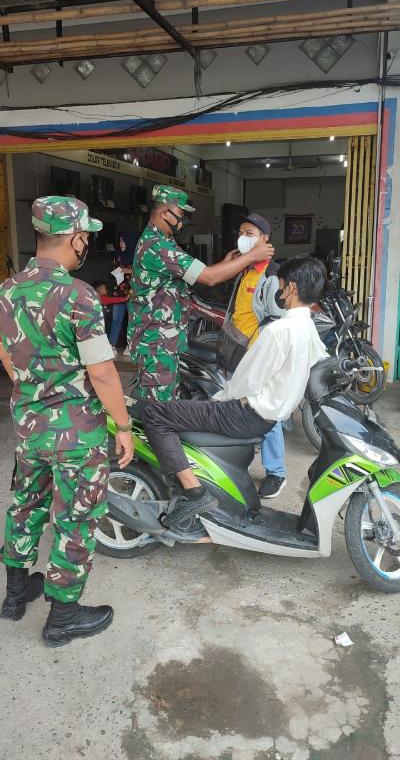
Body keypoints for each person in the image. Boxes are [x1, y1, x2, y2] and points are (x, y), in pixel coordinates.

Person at [0, 196, 134, 647]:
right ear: (74, 238)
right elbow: (102, 372)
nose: (86, 245)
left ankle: (15, 594)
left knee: (26, 503)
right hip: (77, 433)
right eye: (85, 237)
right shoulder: (78, 294)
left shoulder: (7, 291)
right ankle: (63, 616)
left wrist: (35, 390)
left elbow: (7, 356)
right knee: (76, 517)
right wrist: (123, 426)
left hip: (29, 426)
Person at [142, 256, 328, 519]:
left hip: (244, 414)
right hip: (267, 419)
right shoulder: (309, 328)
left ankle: (194, 492)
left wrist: (219, 400)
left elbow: (247, 381)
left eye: (281, 285)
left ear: (292, 287)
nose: (279, 291)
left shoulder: (279, 330)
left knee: (155, 414)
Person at [128, 184, 274, 401]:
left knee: (165, 400)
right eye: (180, 214)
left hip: (163, 340)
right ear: (164, 212)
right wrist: (251, 256)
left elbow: (198, 274)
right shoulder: (157, 246)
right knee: (156, 406)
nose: (183, 220)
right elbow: (209, 277)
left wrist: (224, 263)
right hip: (156, 343)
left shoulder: (164, 242)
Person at [230, 213, 287, 499]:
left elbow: (278, 320)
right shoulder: (246, 269)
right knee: (241, 409)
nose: (242, 238)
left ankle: (277, 472)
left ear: (264, 239)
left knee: (265, 411)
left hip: (259, 355)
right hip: (240, 351)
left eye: (249, 233)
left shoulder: (272, 274)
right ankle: (242, 460)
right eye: (241, 232)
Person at [109, 231, 137, 353]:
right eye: (120, 241)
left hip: (132, 294)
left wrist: (128, 271)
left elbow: (143, 272)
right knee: (116, 320)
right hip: (119, 294)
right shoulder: (118, 256)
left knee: (132, 321)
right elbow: (111, 271)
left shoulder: (138, 257)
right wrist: (116, 271)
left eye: (123, 241)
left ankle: (130, 346)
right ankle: (112, 346)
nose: (120, 243)